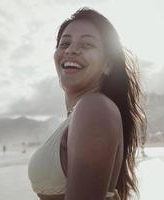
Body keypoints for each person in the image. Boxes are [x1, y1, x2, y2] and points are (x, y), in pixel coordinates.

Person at [28, 8, 145, 200]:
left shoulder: (94, 109)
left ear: (107, 64)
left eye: (87, 44)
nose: (71, 49)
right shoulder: (85, 113)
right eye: (64, 43)